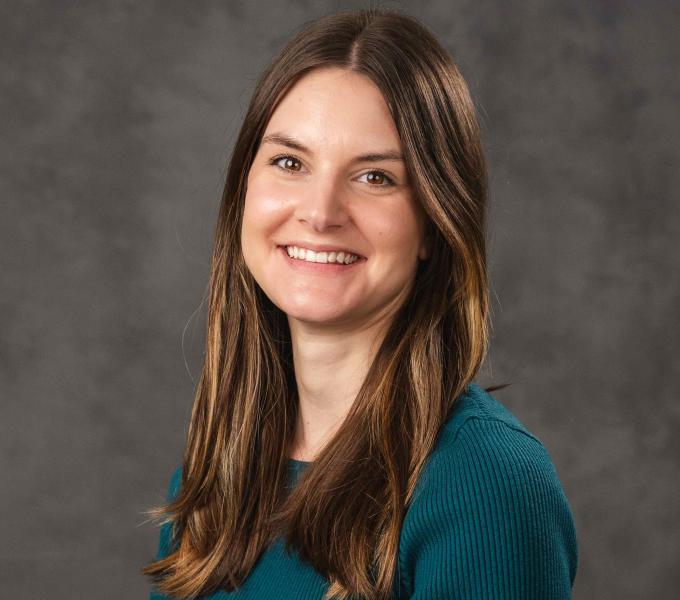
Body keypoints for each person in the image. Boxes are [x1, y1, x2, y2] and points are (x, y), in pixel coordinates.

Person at [142, 7, 578, 600]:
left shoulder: (486, 486)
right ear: (243, 189)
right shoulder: (218, 476)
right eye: (289, 162)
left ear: (434, 223)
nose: (321, 212)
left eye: (375, 177)